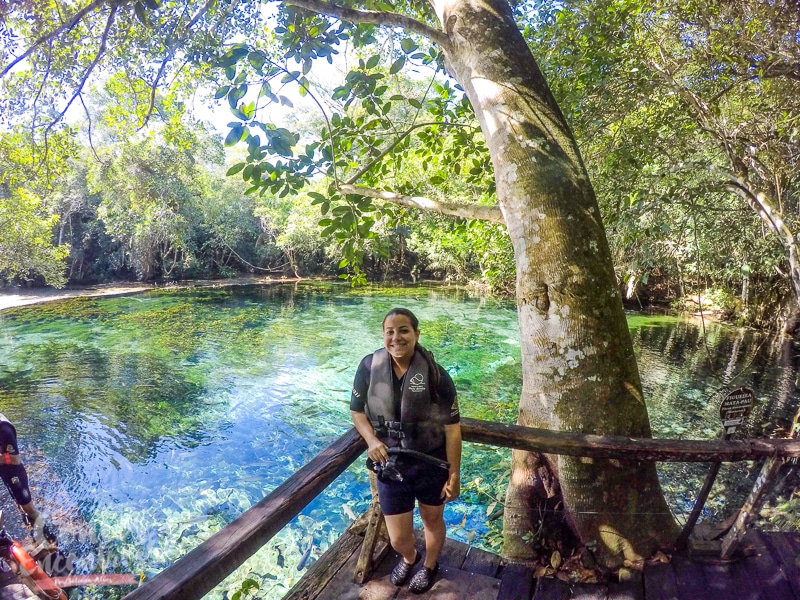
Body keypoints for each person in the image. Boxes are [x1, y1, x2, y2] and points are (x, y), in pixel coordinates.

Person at [350, 308, 462, 594]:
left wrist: (454, 474)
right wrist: (371, 440)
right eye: (390, 331)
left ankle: (429, 565)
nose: (396, 337)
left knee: (432, 520)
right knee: (398, 538)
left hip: (430, 462)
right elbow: (357, 412)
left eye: (403, 330)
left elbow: (452, 429)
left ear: (416, 334)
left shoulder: (436, 375)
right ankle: (410, 557)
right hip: (390, 464)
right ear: (383, 335)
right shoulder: (368, 367)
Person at [0, 413, 55, 547]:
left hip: (14, 474)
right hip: (4, 471)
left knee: (29, 508)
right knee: (19, 504)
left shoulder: (5, 429)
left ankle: (49, 538)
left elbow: (15, 459)